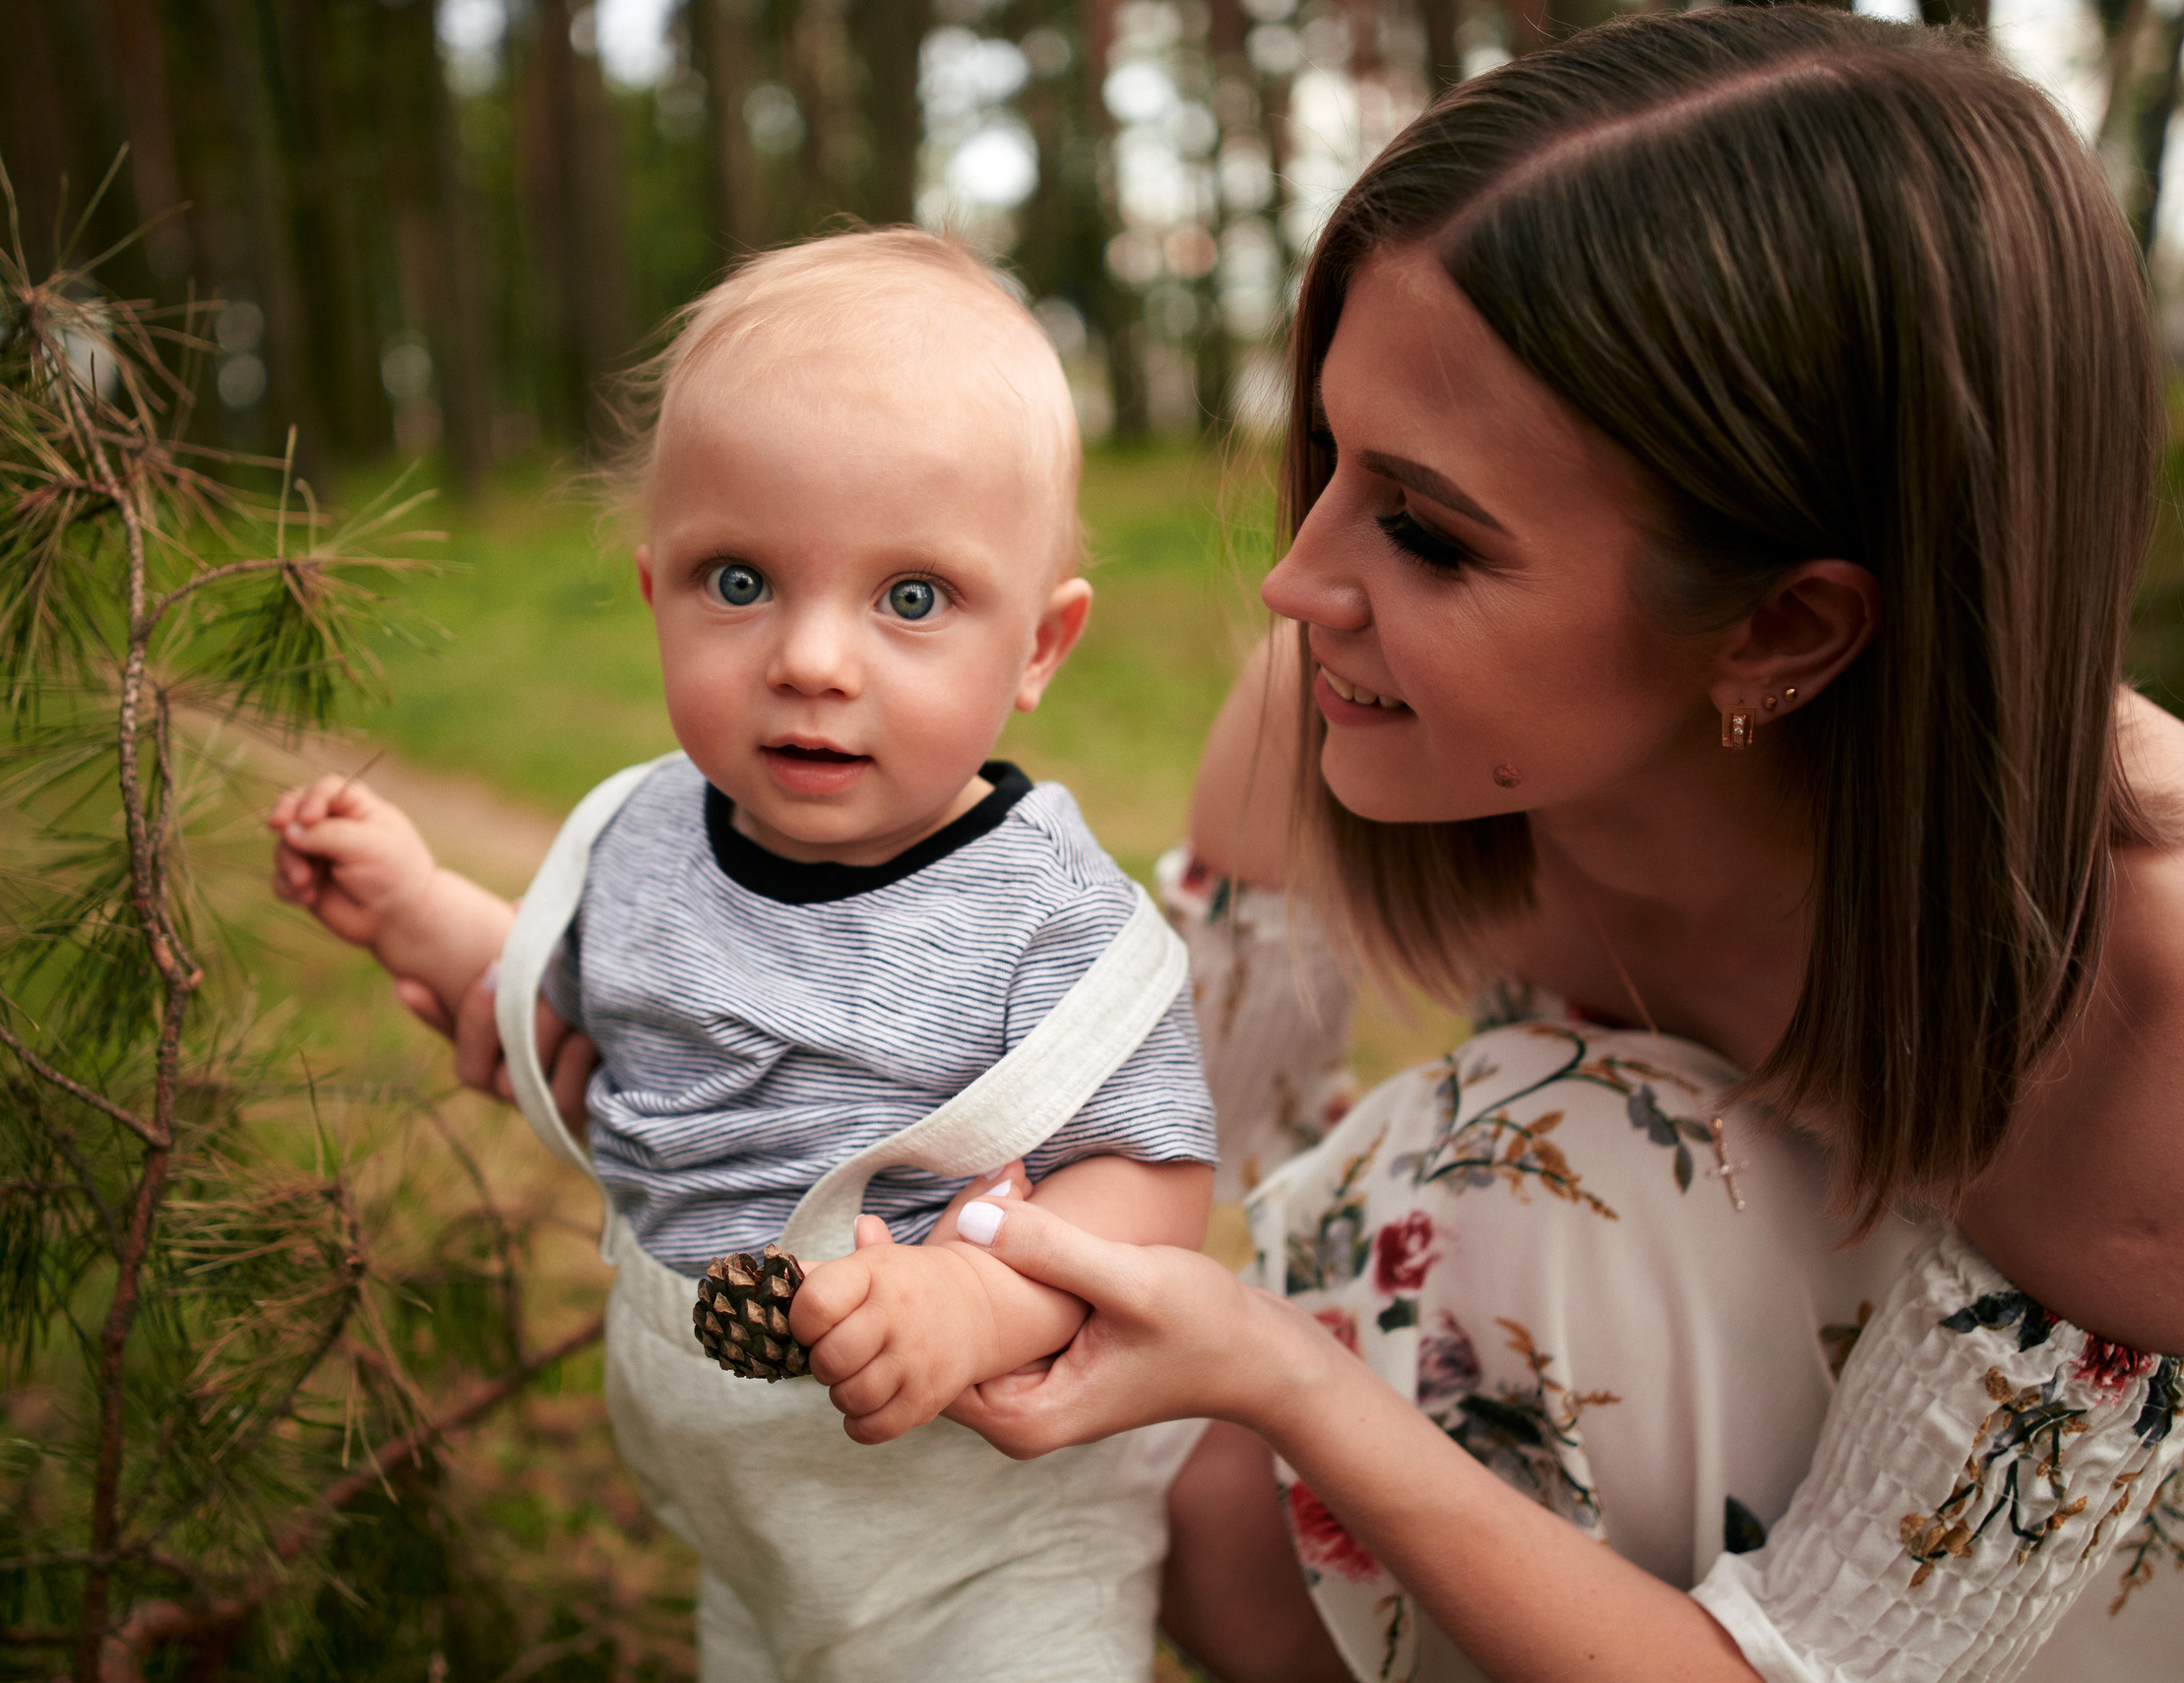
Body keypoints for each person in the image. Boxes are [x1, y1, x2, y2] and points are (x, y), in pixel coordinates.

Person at [927, 10, 2184, 1683]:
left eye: (1426, 528)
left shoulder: (2137, 996)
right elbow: (1104, 1155)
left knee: (1501, 1172)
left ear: (1781, 628)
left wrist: (1286, 1374)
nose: (1296, 584)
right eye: (1329, 455)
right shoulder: (1325, 710)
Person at [265, 228, 1218, 1682]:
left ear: (1039, 645)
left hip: (993, 1538)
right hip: (747, 1530)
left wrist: (977, 1301)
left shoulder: (1048, 914)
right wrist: (416, 909)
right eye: (739, 580)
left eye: (911, 599)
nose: (812, 659)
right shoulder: (645, 838)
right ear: (653, 588)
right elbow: (556, 986)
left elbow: (1155, 1185)